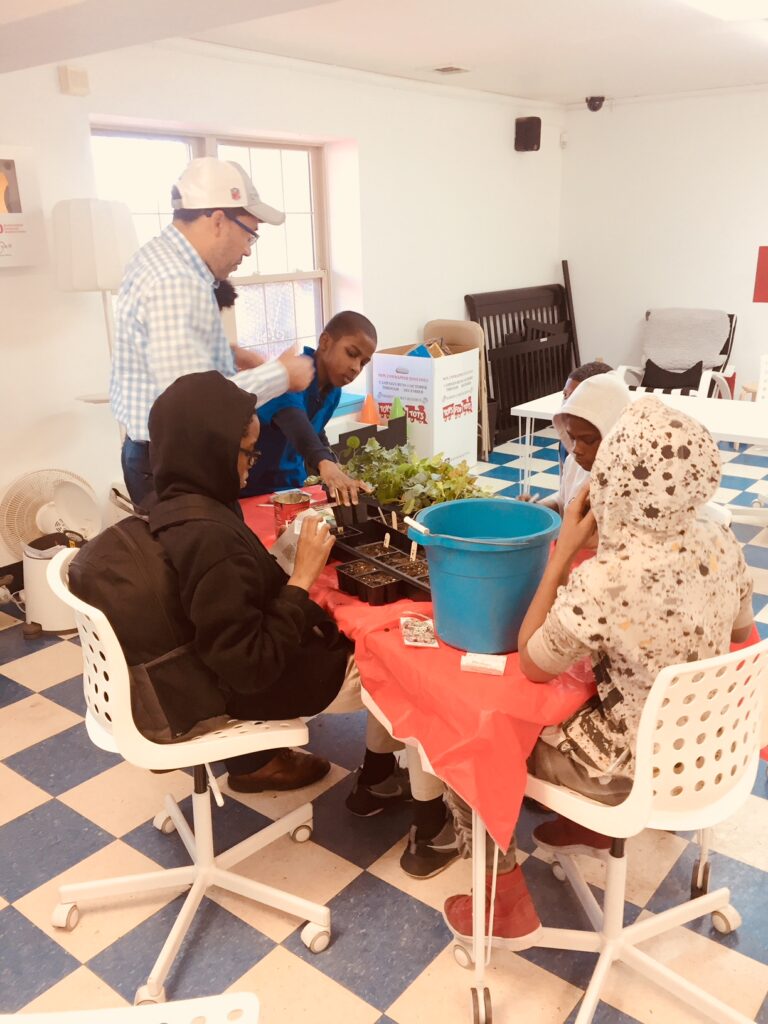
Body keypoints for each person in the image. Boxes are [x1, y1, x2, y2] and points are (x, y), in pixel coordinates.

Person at [443, 396, 754, 949]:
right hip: (708, 749)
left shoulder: (607, 579)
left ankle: (503, 898)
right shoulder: (722, 541)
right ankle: (587, 827)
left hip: (627, 770)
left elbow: (533, 661)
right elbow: (737, 635)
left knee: (468, 736)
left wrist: (562, 554)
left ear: (613, 476)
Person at [110, 157, 314, 507]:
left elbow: (168, 358)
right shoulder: (176, 281)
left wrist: (228, 353)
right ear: (219, 219)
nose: (248, 249)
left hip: (153, 457)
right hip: (170, 464)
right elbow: (197, 405)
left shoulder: (158, 259)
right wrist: (281, 374)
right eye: (249, 234)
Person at [240, 311, 377, 506]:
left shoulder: (334, 392)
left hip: (294, 489)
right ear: (325, 341)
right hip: (253, 494)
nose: (356, 367)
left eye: (363, 363)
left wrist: (334, 463)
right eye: (351, 354)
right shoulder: (290, 374)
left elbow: (315, 432)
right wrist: (324, 462)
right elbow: (294, 421)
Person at [528, 373, 631, 517]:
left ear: (614, 434)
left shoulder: (629, 485)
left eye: (588, 440)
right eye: (572, 438)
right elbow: (564, 500)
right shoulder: (574, 461)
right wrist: (538, 508)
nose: (576, 449)